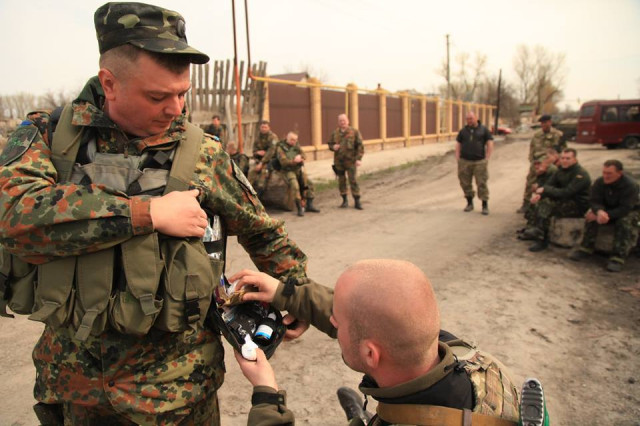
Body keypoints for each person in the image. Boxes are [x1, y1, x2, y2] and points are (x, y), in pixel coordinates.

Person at [0, 2, 309, 424]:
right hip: (76, 388)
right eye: (158, 97)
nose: (176, 109)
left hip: (178, 394)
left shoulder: (202, 153)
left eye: (182, 93)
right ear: (109, 83)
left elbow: (263, 231)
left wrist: (297, 293)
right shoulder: (50, 137)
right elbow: (13, 217)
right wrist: (145, 214)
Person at [229, 260, 524, 425]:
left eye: (337, 322)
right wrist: (287, 293)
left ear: (371, 354)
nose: (332, 322)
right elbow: (374, 317)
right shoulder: (469, 359)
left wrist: (267, 395)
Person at [569, 160, 640, 272]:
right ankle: (586, 248)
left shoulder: (630, 186)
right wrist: (599, 211)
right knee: (591, 216)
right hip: (607, 209)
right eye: (604, 172)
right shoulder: (599, 182)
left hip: (629, 211)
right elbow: (594, 200)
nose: (606, 176)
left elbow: (625, 208)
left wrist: (607, 215)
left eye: (609, 173)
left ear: (619, 173)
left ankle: (618, 257)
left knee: (624, 222)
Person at [523, 148, 591, 252]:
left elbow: (567, 192)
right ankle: (534, 228)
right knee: (538, 201)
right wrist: (540, 195)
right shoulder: (561, 171)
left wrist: (546, 190)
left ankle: (542, 239)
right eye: (563, 158)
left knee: (546, 205)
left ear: (575, 159)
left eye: (568, 158)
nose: (564, 160)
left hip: (577, 205)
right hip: (564, 200)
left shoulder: (580, 174)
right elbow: (548, 184)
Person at [518, 115, 565, 213]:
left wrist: (555, 162)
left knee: (550, 184)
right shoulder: (537, 135)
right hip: (537, 162)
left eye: (545, 122)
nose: (543, 125)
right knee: (530, 182)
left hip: (551, 163)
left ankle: (549, 204)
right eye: (542, 123)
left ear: (550, 122)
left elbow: (563, 151)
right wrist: (532, 160)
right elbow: (532, 148)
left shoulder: (558, 135)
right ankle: (526, 204)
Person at [455, 111, 494, 215]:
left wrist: (487, 157)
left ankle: (484, 205)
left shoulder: (484, 130)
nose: (469, 121)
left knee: (481, 183)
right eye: (467, 119)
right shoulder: (463, 131)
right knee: (465, 183)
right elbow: (458, 143)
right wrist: (458, 157)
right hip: (465, 161)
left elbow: (490, 143)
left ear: (476, 118)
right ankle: (469, 203)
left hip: (479, 161)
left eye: (471, 118)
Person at [274, 131, 320, 216]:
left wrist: (301, 157)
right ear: (287, 138)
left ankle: (309, 205)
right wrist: (294, 161)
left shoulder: (296, 145)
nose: (294, 141)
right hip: (288, 171)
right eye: (292, 139)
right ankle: (299, 208)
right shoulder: (281, 148)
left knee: (309, 184)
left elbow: (304, 155)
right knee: (295, 186)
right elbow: (283, 162)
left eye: (295, 140)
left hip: (298, 170)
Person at [328, 113, 364, 210]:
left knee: (353, 180)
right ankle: (344, 200)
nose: (342, 122)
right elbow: (330, 144)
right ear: (338, 122)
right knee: (341, 181)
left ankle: (357, 201)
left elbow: (360, 146)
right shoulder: (335, 133)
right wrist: (333, 147)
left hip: (351, 161)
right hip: (339, 162)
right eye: (340, 121)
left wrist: (359, 159)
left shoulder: (354, 132)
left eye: (344, 120)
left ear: (348, 121)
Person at [248, 120, 278, 198]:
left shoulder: (273, 137)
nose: (263, 129)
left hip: (270, 160)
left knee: (263, 174)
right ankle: (247, 192)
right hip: (259, 160)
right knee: (251, 172)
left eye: (265, 127)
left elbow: (271, 152)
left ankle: (259, 194)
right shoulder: (258, 137)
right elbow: (254, 150)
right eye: (262, 127)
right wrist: (257, 152)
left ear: (269, 128)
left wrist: (262, 163)